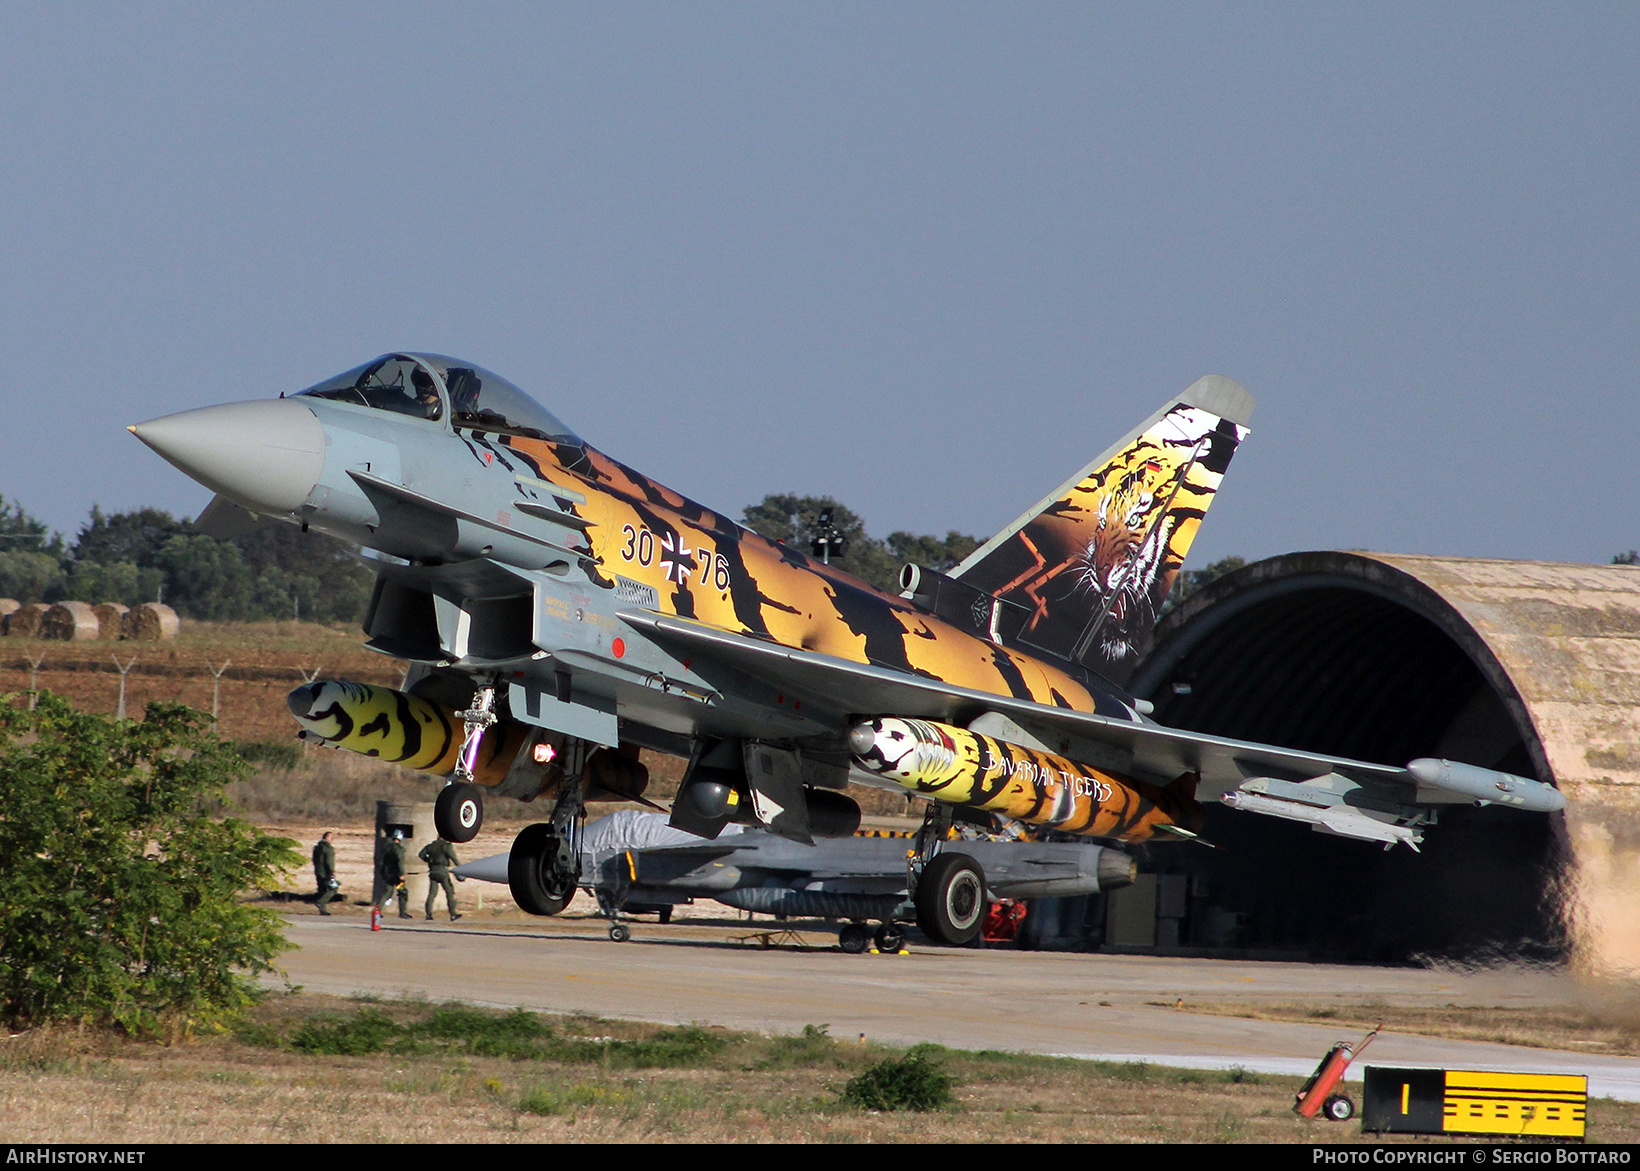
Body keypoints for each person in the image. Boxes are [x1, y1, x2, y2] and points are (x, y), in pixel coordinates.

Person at [419, 836, 463, 922]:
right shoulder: (446, 846)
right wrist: (461, 867)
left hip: (433, 871)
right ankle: (452, 913)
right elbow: (453, 857)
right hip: (442, 870)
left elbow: (421, 855)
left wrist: (429, 860)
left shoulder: (431, 846)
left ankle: (428, 914)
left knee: (432, 894)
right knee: (449, 892)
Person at [376, 830, 412, 920]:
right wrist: (402, 874)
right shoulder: (399, 849)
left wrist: (383, 873)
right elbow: (400, 862)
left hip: (388, 874)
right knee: (402, 892)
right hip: (397, 875)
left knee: (387, 892)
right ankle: (402, 912)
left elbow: (382, 862)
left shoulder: (386, 848)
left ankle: (378, 910)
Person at [312, 830, 338, 915]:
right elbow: (329, 861)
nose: (332, 839)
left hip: (318, 871)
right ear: (327, 838)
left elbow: (314, 860)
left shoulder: (317, 847)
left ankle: (323, 910)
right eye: (331, 838)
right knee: (333, 888)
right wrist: (332, 871)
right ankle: (321, 902)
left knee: (322, 889)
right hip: (326, 872)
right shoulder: (328, 848)